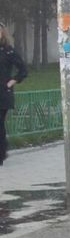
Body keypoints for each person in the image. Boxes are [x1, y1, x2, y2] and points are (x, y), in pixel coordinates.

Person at [0, 23, 29, 165]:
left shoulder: (8, 51)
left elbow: (23, 69)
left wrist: (13, 81)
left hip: (3, 94)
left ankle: (1, 153)